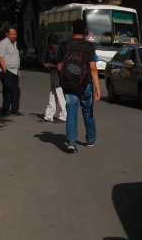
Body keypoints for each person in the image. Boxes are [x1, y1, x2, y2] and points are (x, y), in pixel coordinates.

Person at [56, 19, 101, 153]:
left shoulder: (64, 45)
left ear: (72, 29)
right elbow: (92, 68)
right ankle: (90, 139)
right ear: (85, 31)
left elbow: (59, 66)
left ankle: (71, 142)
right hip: (85, 83)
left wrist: (67, 76)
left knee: (71, 111)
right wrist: (97, 88)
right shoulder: (88, 46)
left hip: (69, 85)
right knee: (87, 111)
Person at [0, 26, 22, 116]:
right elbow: (0, 57)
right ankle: (5, 110)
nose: (14, 36)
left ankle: (14, 109)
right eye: (12, 34)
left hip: (15, 71)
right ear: (7, 34)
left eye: (15, 34)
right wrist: (5, 70)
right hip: (7, 70)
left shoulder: (14, 43)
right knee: (8, 90)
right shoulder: (3, 43)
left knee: (16, 90)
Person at [41, 34, 66, 122]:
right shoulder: (51, 51)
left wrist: (50, 65)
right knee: (52, 96)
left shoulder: (60, 50)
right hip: (54, 75)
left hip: (58, 76)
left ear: (51, 43)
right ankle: (49, 115)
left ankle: (64, 115)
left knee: (60, 95)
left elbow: (60, 66)